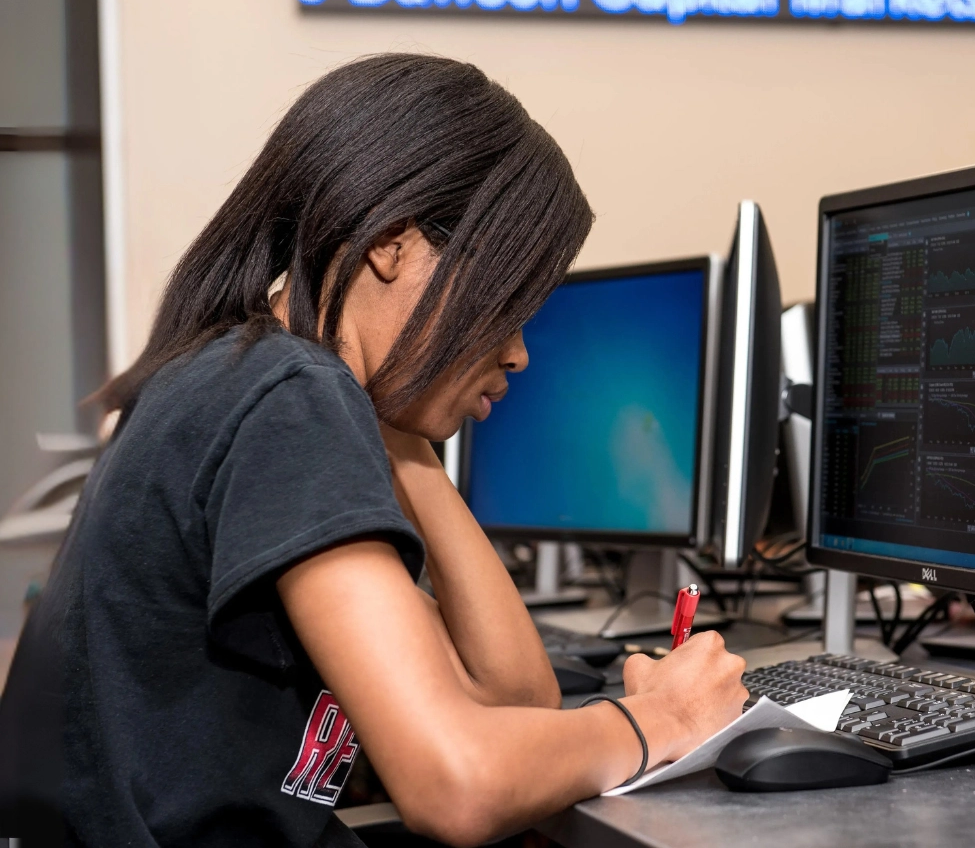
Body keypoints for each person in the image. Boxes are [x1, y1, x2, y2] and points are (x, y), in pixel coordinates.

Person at [0, 54, 748, 848]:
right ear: (393, 244)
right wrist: (660, 716)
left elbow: (513, 703)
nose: (521, 351)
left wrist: (403, 433)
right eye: (507, 299)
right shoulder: (284, 395)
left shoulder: (242, 369)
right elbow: (455, 782)